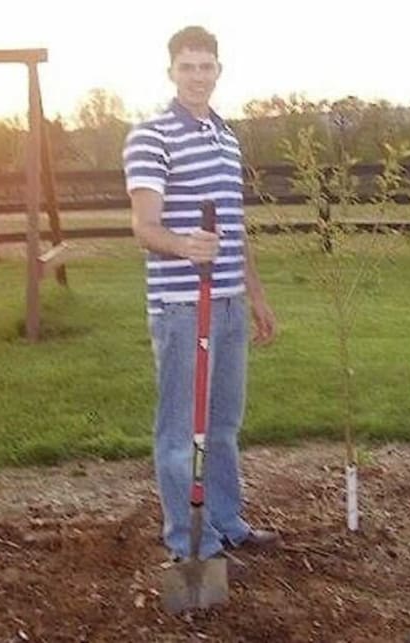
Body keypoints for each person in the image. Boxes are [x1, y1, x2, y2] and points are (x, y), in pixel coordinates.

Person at [124, 25, 281, 566]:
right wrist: (184, 245)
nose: (197, 76)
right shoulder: (151, 136)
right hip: (183, 305)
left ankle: (225, 519)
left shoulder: (227, 136)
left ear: (219, 70)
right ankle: (190, 542)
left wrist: (256, 294)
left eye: (206, 66)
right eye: (187, 66)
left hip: (231, 301)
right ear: (171, 71)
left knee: (222, 425)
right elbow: (144, 227)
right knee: (178, 431)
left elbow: (235, 226)